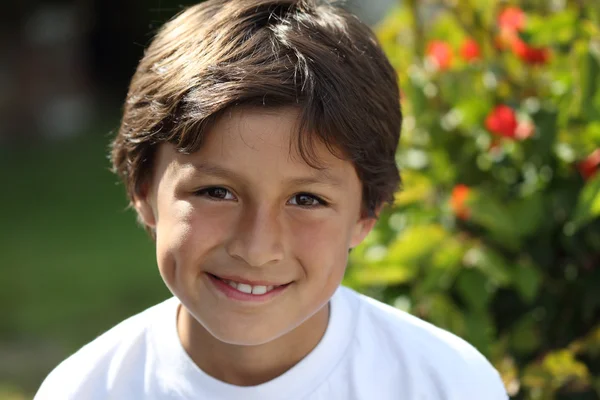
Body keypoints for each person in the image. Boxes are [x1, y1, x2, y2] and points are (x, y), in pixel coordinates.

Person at [34, 0, 508, 398]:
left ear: (367, 214)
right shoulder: (86, 390)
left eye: (305, 199)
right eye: (216, 192)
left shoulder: (446, 385)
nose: (257, 247)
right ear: (143, 191)